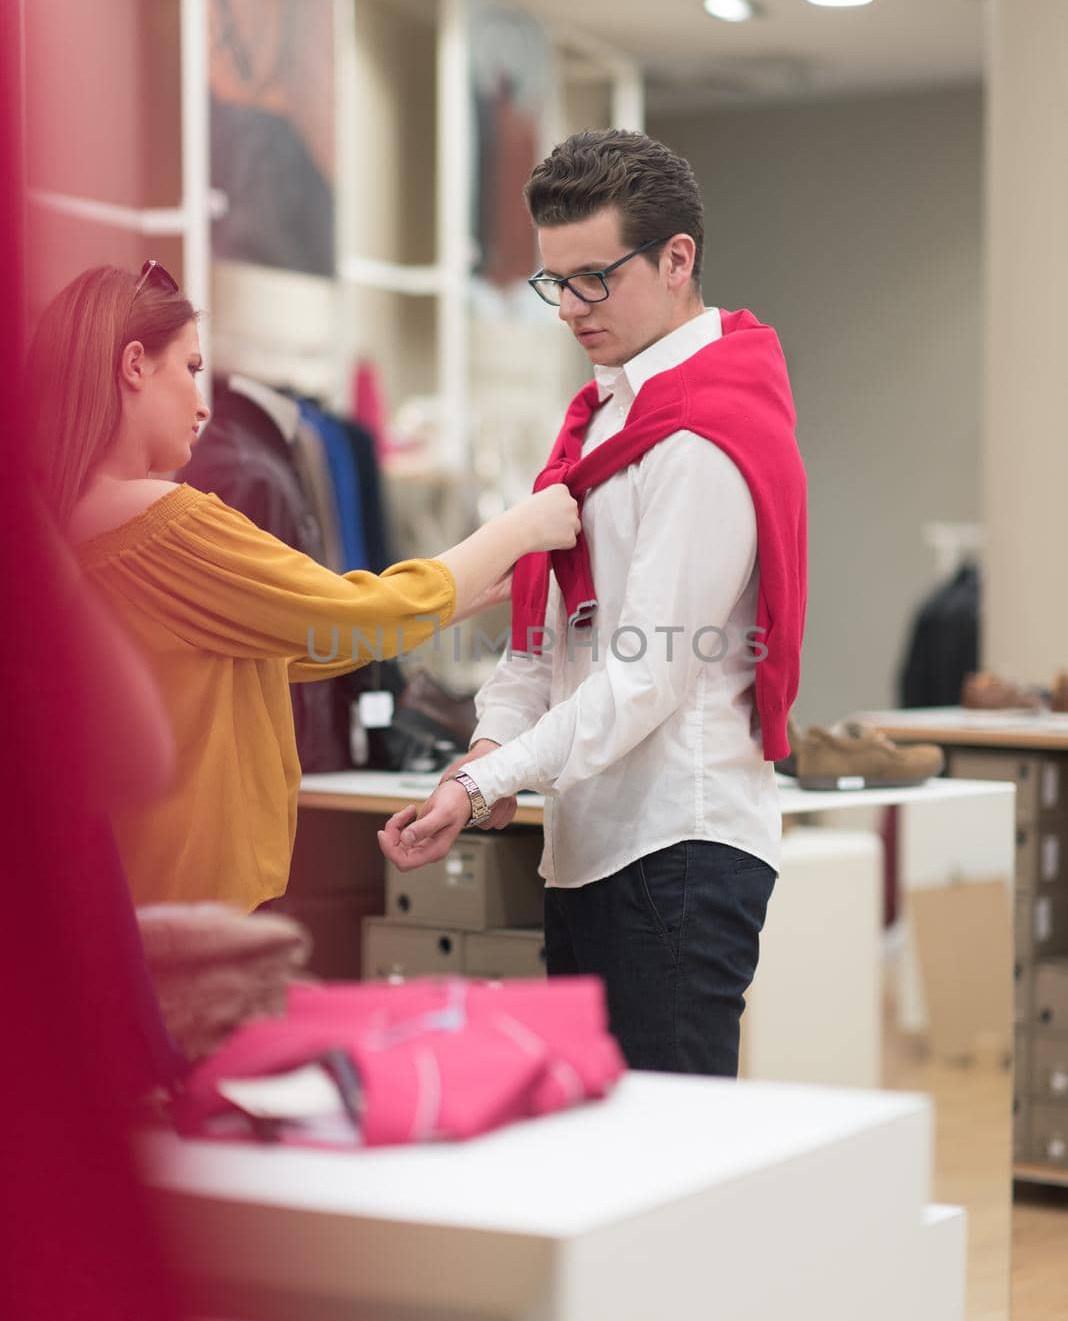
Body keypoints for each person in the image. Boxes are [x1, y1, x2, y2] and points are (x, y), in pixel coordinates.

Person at [379, 130, 807, 1078]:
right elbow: (542, 645)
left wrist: (487, 784)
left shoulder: (700, 436)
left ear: (677, 259)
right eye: (553, 283)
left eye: (594, 279)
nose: (570, 308)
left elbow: (644, 676)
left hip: (678, 847)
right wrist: (486, 753)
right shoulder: (603, 418)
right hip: (589, 842)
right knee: (602, 1170)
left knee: (667, 1180)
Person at [28, 262, 579, 913]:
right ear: (134, 366)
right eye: (192, 369)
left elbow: (299, 645)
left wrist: (464, 595)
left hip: (130, 895)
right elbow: (353, 619)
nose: (205, 405)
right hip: (194, 906)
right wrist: (519, 526)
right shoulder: (160, 521)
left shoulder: (62, 525)